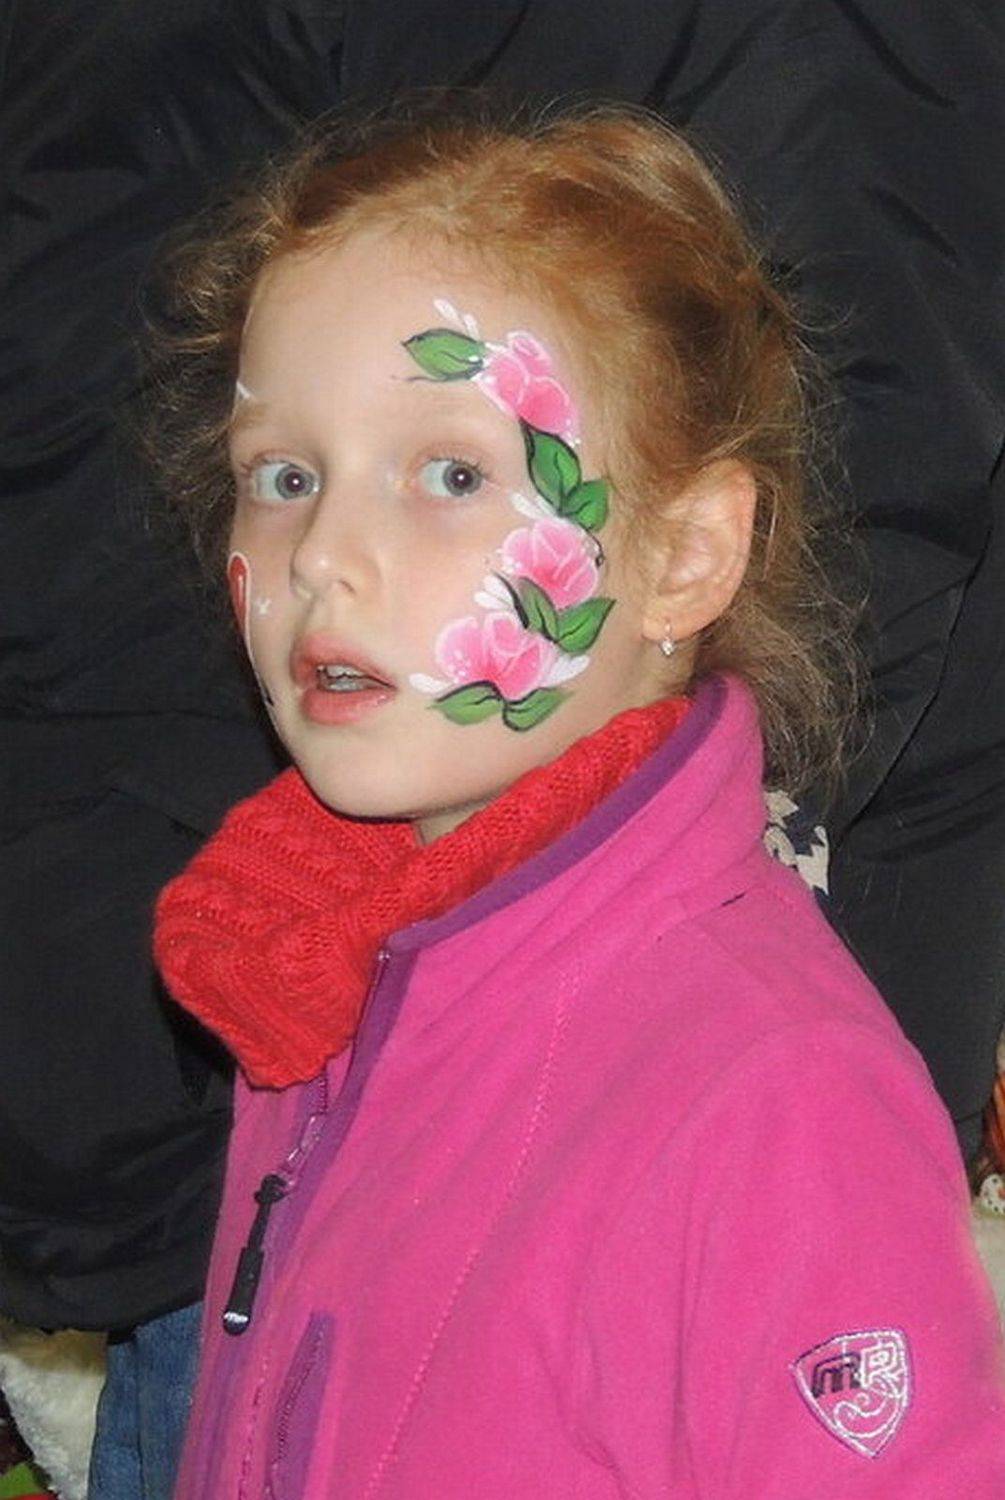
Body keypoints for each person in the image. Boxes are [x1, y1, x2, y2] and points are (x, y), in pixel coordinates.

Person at [148, 107, 1005, 1496]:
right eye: (284, 478)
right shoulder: (307, 965)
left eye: (451, 474)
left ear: (686, 557)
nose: (321, 558)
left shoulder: (776, 1102)